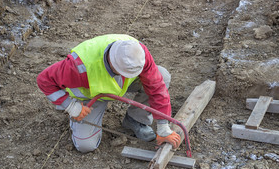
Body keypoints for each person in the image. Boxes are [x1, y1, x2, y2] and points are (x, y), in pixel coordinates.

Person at [37, 34, 181, 153]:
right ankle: (75, 115)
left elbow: (156, 87)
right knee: (86, 146)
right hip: (90, 96)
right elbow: (44, 80)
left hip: (115, 87)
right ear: (113, 63)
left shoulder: (138, 51)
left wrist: (163, 126)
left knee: (162, 75)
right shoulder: (78, 66)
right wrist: (70, 106)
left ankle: (135, 120)